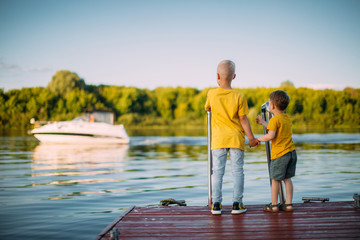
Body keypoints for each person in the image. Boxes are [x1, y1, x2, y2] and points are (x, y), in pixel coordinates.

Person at [205, 60, 259, 215]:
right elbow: (243, 119)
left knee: (218, 173)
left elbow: (207, 107)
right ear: (234, 76)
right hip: (236, 138)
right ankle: (237, 204)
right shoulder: (239, 96)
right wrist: (252, 138)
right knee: (237, 172)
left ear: (217, 76)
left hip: (218, 140)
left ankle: (216, 204)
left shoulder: (212, 94)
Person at [256, 90, 297, 212]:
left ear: (272, 106)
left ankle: (274, 205)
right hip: (291, 153)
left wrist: (258, 139)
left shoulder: (274, 120)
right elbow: (274, 128)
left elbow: (270, 136)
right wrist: (263, 122)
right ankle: (288, 204)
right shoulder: (286, 118)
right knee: (287, 179)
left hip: (280, 155)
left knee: (275, 179)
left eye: (269, 103)